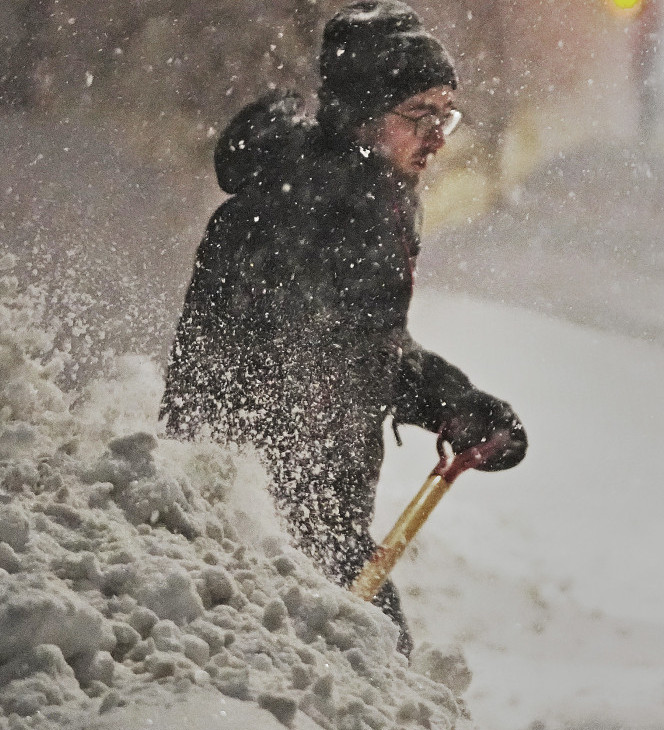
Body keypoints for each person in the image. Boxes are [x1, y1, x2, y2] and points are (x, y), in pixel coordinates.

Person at [161, 0, 527, 656]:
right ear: (360, 117)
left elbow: (364, 346)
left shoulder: (372, 198)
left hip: (320, 524)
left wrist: (457, 405)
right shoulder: (296, 210)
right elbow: (283, 378)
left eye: (445, 113)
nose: (439, 135)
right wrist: (304, 545)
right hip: (257, 537)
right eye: (419, 115)